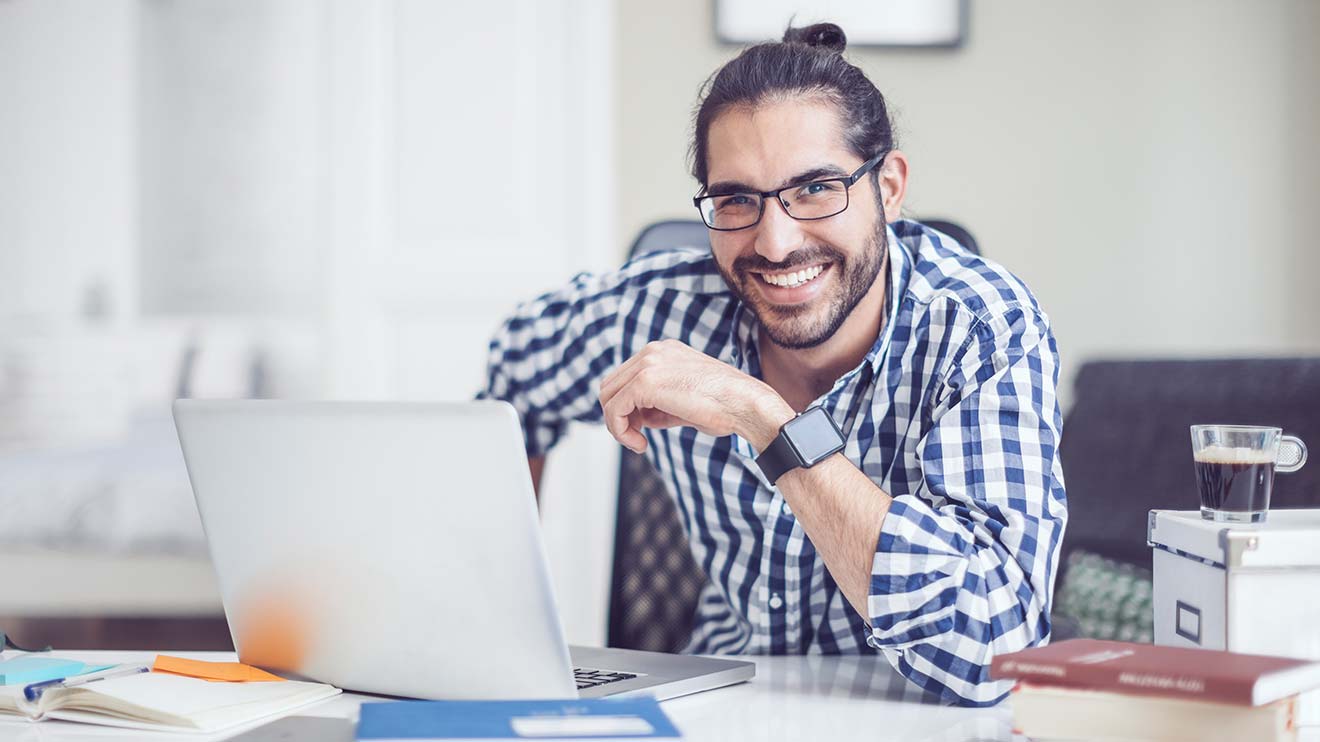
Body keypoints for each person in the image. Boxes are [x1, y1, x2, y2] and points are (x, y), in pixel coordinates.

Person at [479, 22, 1066, 706]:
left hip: (915, 710)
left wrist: (764, 417)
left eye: (815, 189)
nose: (776, 242)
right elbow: (516, 368)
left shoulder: (981, 328)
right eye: (737, 200)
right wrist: (499, 630)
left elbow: (999, 648)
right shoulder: (655, 311)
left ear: (891, 187)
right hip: (722, 704)